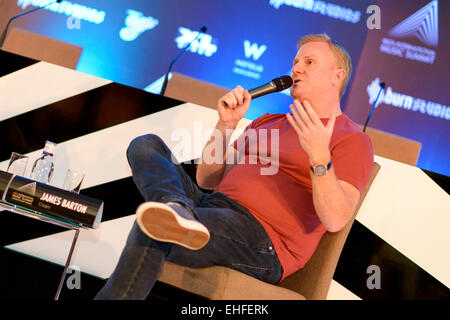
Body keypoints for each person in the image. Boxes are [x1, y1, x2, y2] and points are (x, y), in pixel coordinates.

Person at [95, 33, 374, 300]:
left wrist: (318, 155)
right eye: (295, 62)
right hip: (212, 205)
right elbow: (207, 177)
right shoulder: (267, 121)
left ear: (337, 75)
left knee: (154, 224)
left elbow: (336, 218)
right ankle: (176, 208)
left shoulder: (352, 139)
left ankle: (175, 215)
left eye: (309, 62)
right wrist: (225, 125)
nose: (296, 69)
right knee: (146, 145)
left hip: (262, 239)